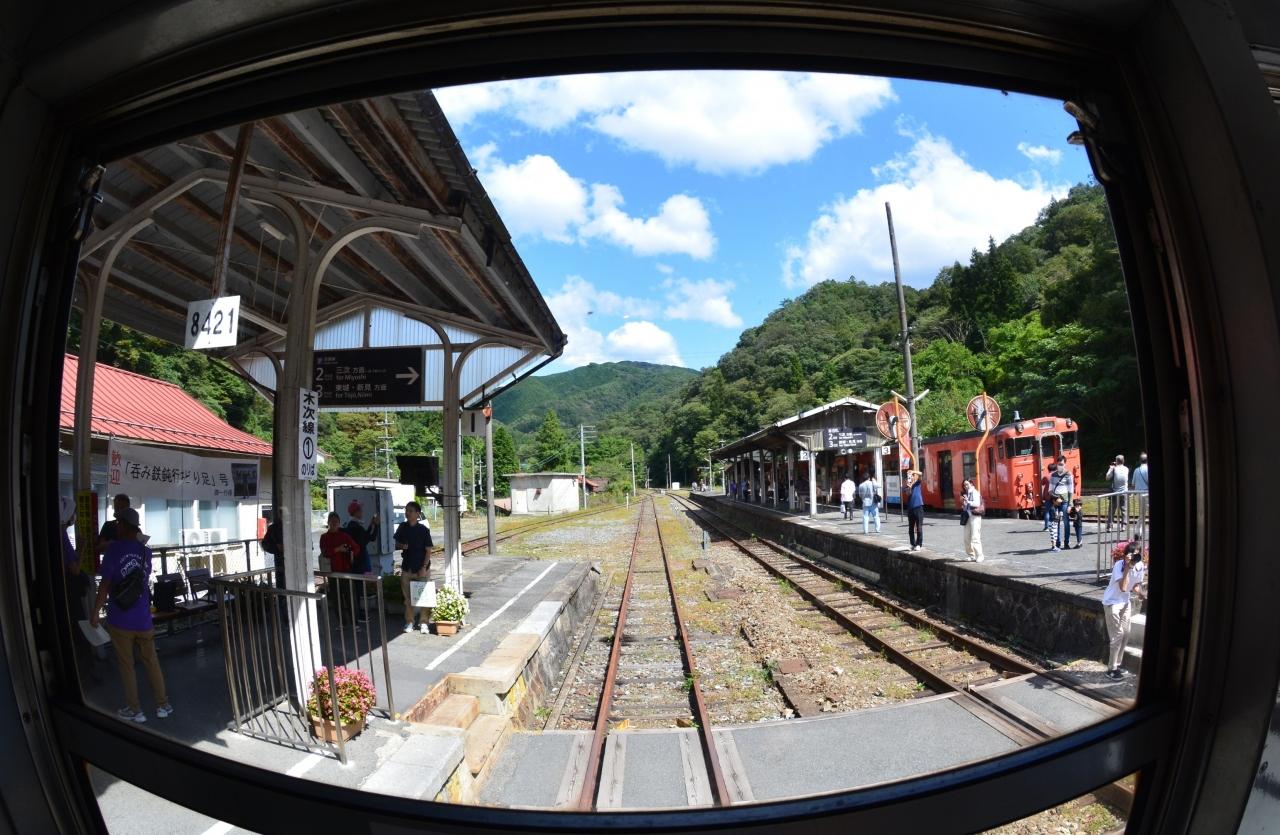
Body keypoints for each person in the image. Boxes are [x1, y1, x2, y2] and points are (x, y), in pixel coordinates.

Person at [90, 508, 173, 723]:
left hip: (120, 618)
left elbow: (105, 585)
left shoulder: (114, 550)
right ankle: (162, 705)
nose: (116, 526)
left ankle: (135, 710)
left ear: (124, 525)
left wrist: (95, 613)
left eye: (118, 523)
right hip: (143, 617)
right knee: (151, 662)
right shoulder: (146, 552)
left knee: (126, 665)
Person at [1102, 541, 1144, 679]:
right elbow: (1124, 587)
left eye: (1137, 554)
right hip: (1112, 603)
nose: (1135, 557)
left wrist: (1141, 593)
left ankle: (1117, 665)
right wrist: (1127, 567)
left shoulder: (1140, 566)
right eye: (1132, 554)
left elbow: (1135, 585)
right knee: (1117, 635)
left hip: (1125, 602)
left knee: (1126, 633)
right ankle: (1111, 669)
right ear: (1126, 554)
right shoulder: (1119, 565)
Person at [394, 501, 433, 634]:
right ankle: (410, 621)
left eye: (410, 511)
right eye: (406, 510)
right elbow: (396, 543)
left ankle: (424, 623)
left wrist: (424, 567)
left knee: (424, 596)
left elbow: (428, 550)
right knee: (408, 598)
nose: (407, 513)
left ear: (417, 514)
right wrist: (401, 546)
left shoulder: (423, 530)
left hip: (422, 568)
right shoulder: (402, 527)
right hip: (407, 567)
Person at [343, 499, 379, 574]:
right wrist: (376, 525)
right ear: (356, 512)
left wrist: (371, 524)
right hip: (361, 558)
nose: (362, 511)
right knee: (364, 578)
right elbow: (372, 538)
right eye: (360, 510)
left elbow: (365, 536)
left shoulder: (351, 524)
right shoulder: (357, 527)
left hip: (355, 557)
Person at [97, 493, 131, 558]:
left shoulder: (133, 527)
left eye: (122, 508)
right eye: (116, 507)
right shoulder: (108, 525)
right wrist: (110, 544)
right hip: (112, 561)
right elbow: (99, 548)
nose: (119, 510)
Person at [962, 478, 985, 562]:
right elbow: (967, 505)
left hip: (975, 517)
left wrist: (968, 501)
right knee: (966, 537)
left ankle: (980, 555)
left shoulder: (975, 492)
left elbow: (977, 503)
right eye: (964, 485)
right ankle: (971, 555)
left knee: (975, 537)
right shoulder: (967, 493)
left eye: (967, 484)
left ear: (971, 484)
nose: (966, 486)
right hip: (968, 516)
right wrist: (964, 504)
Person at [1105, 455, 1130, 529]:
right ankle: (1123, 526)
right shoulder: (1126, 469)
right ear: (1123, 461)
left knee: (1111, 510)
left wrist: (1110, 468)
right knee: (1124, 510)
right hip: (1124, 492)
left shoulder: (1114, 469)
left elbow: (1107, 477)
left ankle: (1109, 526)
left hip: (1115, 492)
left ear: (1116, 461)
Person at [905, 470, 925, 551]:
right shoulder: (907, 485)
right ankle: (912, 544)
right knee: (911, 527)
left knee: (919, 527)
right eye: (909, 477)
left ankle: (919, 544)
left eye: (911, 476)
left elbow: (921, 474)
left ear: (913, 477)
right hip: (910, 508)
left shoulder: (917, 483)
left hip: (918, 507)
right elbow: (908, 494)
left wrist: (913, 471)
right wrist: (909, 487)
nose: (910, 478)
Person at [1040, 465, 1054, 530]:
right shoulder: (1057, 476)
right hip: (1055, 496)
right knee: (1053, 511)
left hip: (1048, 496)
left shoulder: (1046, 476)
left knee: (1047, 512)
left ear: (1048, 469)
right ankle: (1053, 526)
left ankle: (1046, 527)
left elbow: (1042, 483)